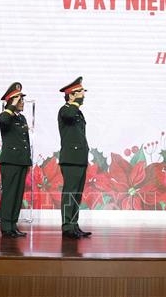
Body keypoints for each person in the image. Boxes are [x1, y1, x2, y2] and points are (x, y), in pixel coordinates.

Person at [58, 76, 92, 239]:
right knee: (69, 193)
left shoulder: (77, 111)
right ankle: (67, 225)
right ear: (71, 95)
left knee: (77, 194)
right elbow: (69, 115)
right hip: (70, 159)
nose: (83, 95)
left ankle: (74, 224)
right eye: (80, 92)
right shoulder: (65, 110)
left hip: (79, 158)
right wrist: (75, 102)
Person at [0, 82, 32, 238]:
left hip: (21, 161)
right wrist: (11, 106)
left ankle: (13, 224)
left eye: (22, 99)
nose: (22, 102)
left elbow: (26, 141)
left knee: (18, 195)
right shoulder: (6, 116)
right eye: (19, 100)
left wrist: (27, 160)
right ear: (12, 101)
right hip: (10, 161)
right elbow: (4, 120)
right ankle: (6, 226)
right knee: (10, 194)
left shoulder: (22, 118)